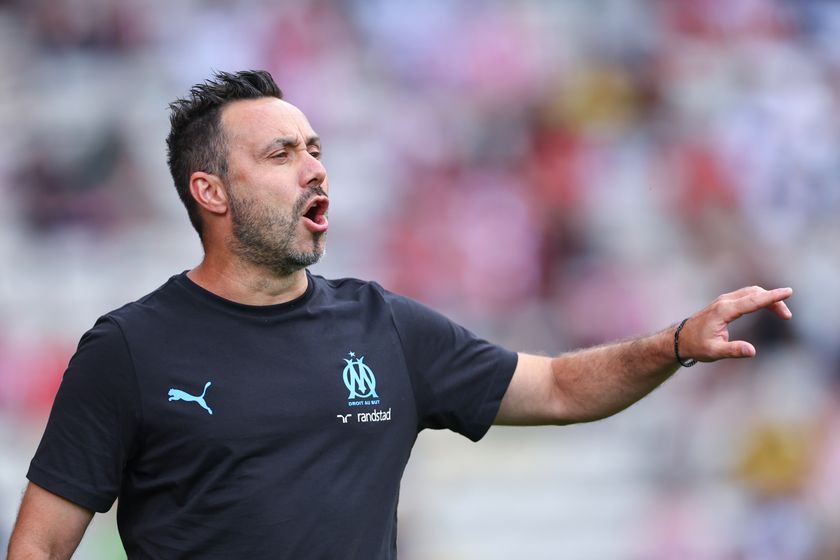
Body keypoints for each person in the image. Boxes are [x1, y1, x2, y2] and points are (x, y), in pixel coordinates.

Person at [7, 70, 793, 560]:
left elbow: (558, 388)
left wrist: (675, 343)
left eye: (315, 149)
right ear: (210, 192)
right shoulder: (130, 348)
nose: (315, 169)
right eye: (280, 155)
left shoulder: (384, 327)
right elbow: (38, 548)